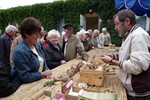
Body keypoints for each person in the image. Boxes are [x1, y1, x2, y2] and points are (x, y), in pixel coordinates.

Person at [100, 9, 150, 100]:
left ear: (127, 21)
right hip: (133, 90)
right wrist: (114, 56)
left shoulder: (138, 35)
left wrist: (112, 61)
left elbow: (136, 67)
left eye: (117, 24)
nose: (115, 28)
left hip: (139, 95)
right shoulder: (130, 34)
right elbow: (129, 57)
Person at [12, 17, 52, 84]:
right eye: (36, 34)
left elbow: (43, 60)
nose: (38, 36)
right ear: (26, 34)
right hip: (26, 87)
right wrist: (43, 74)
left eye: (39, 34)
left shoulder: (36, 44)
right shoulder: (20, 51)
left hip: (38, 82)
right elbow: (25, 76)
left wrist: (46, 70)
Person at [0, 25, 20, 97]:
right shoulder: (3, 38)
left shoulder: (9, 38)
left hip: (8, 63)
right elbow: (1, 53)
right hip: (5, 63)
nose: (15, 32)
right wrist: (3, 65)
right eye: (14, 31)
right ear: (11, 31)